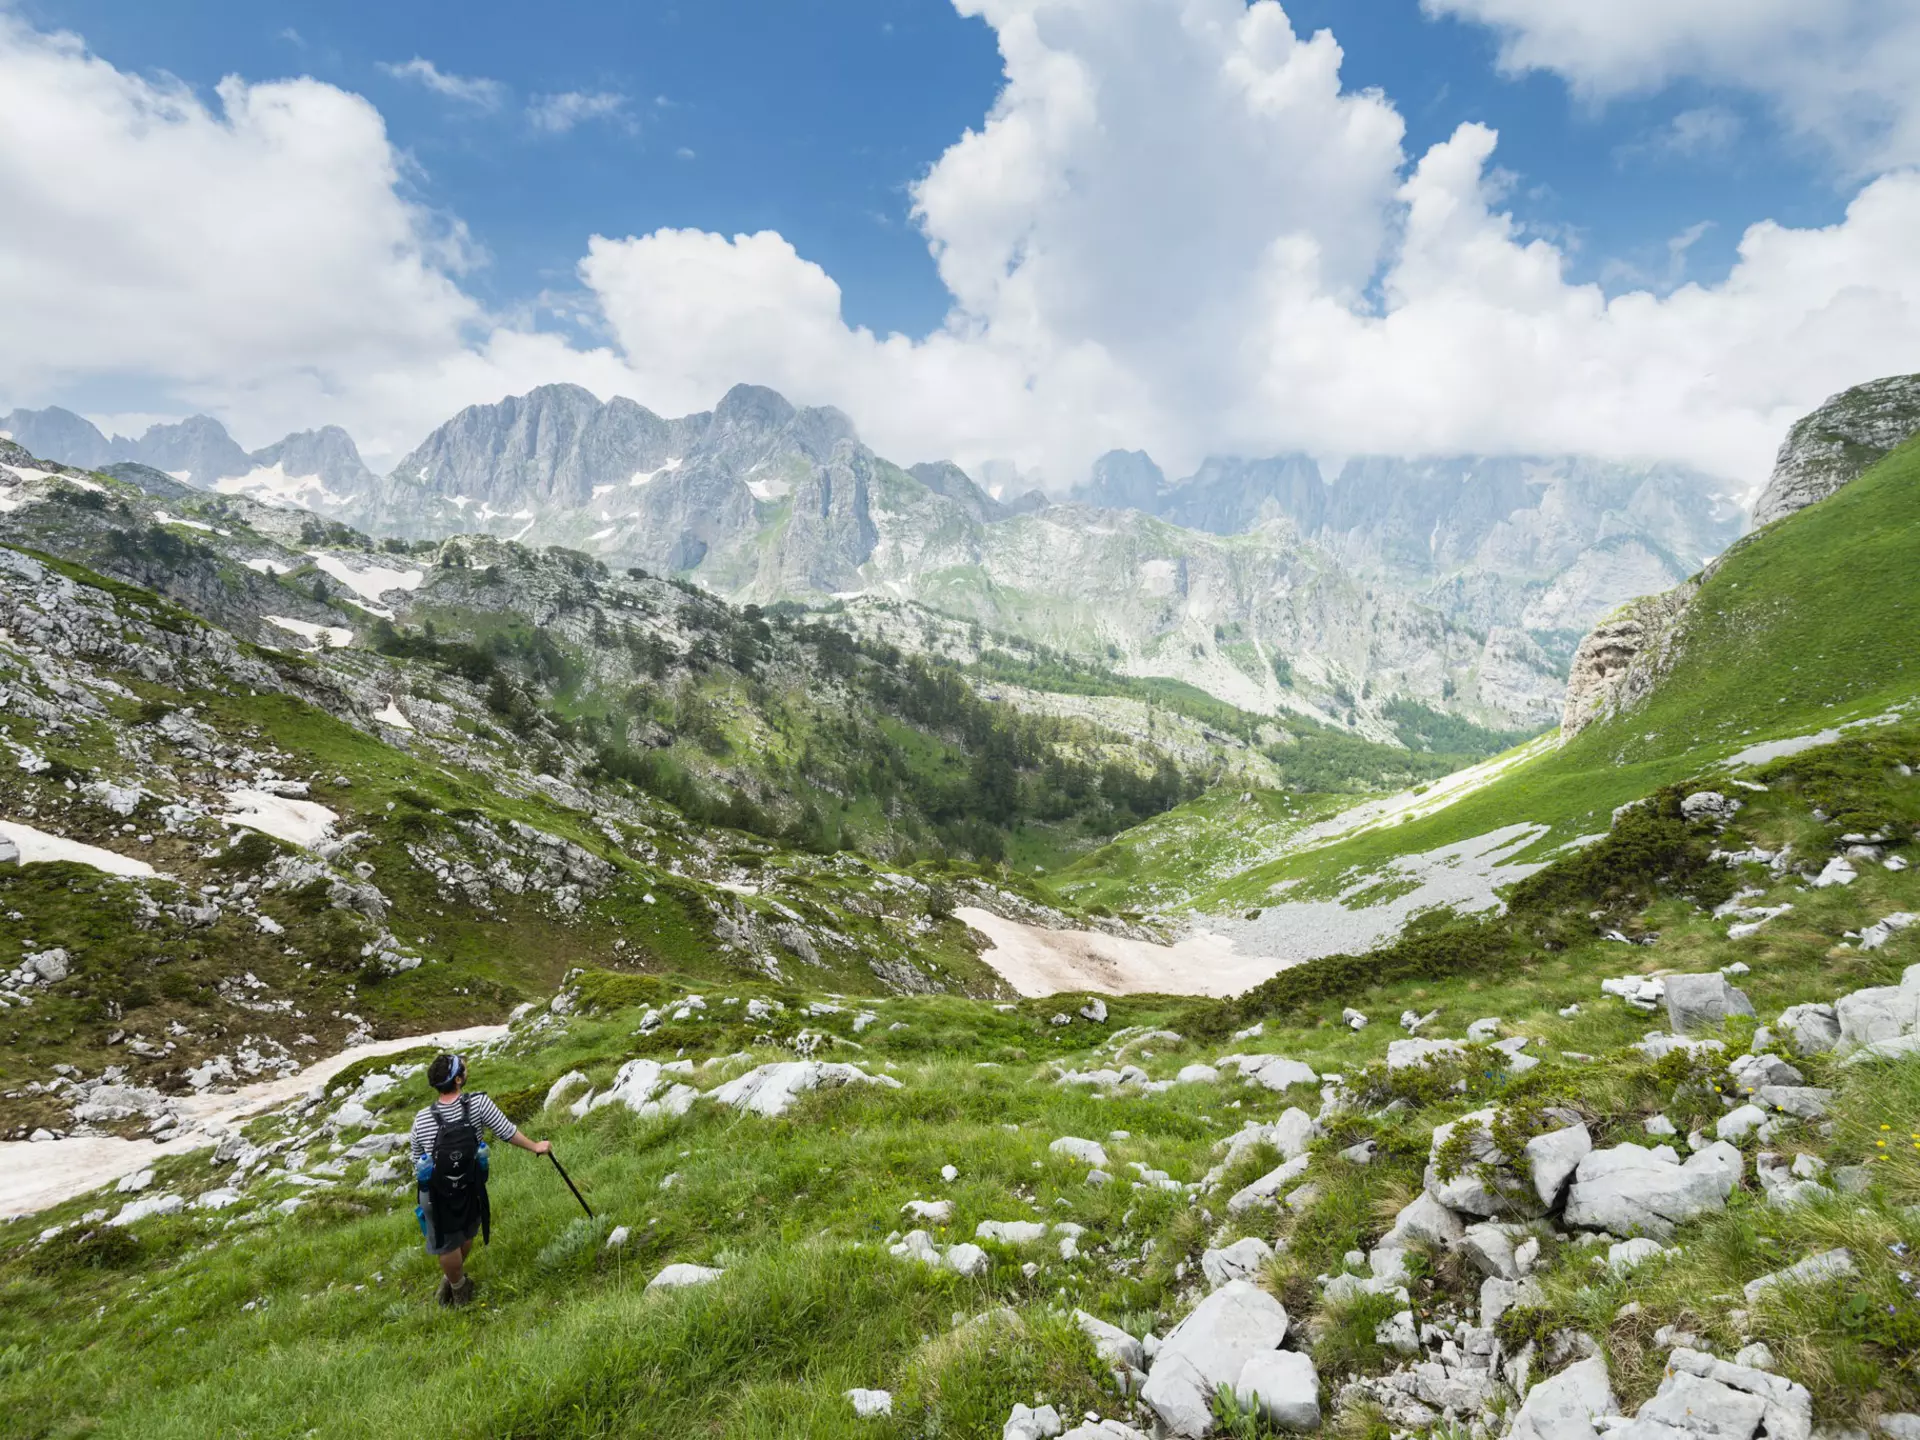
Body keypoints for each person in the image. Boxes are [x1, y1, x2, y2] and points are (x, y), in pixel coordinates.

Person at [411, 1052, 550, 1307]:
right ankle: (460, 1290)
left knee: (448, 1241)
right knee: (463, 1236)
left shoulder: (421, 1119)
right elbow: (507, 1132)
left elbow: (416, 1159)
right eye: (463, 1069)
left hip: (435, 1192)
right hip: (469, 1182)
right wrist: (535, 1147)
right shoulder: (479, 1104)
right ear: (458, 1081)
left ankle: (452, 1279)